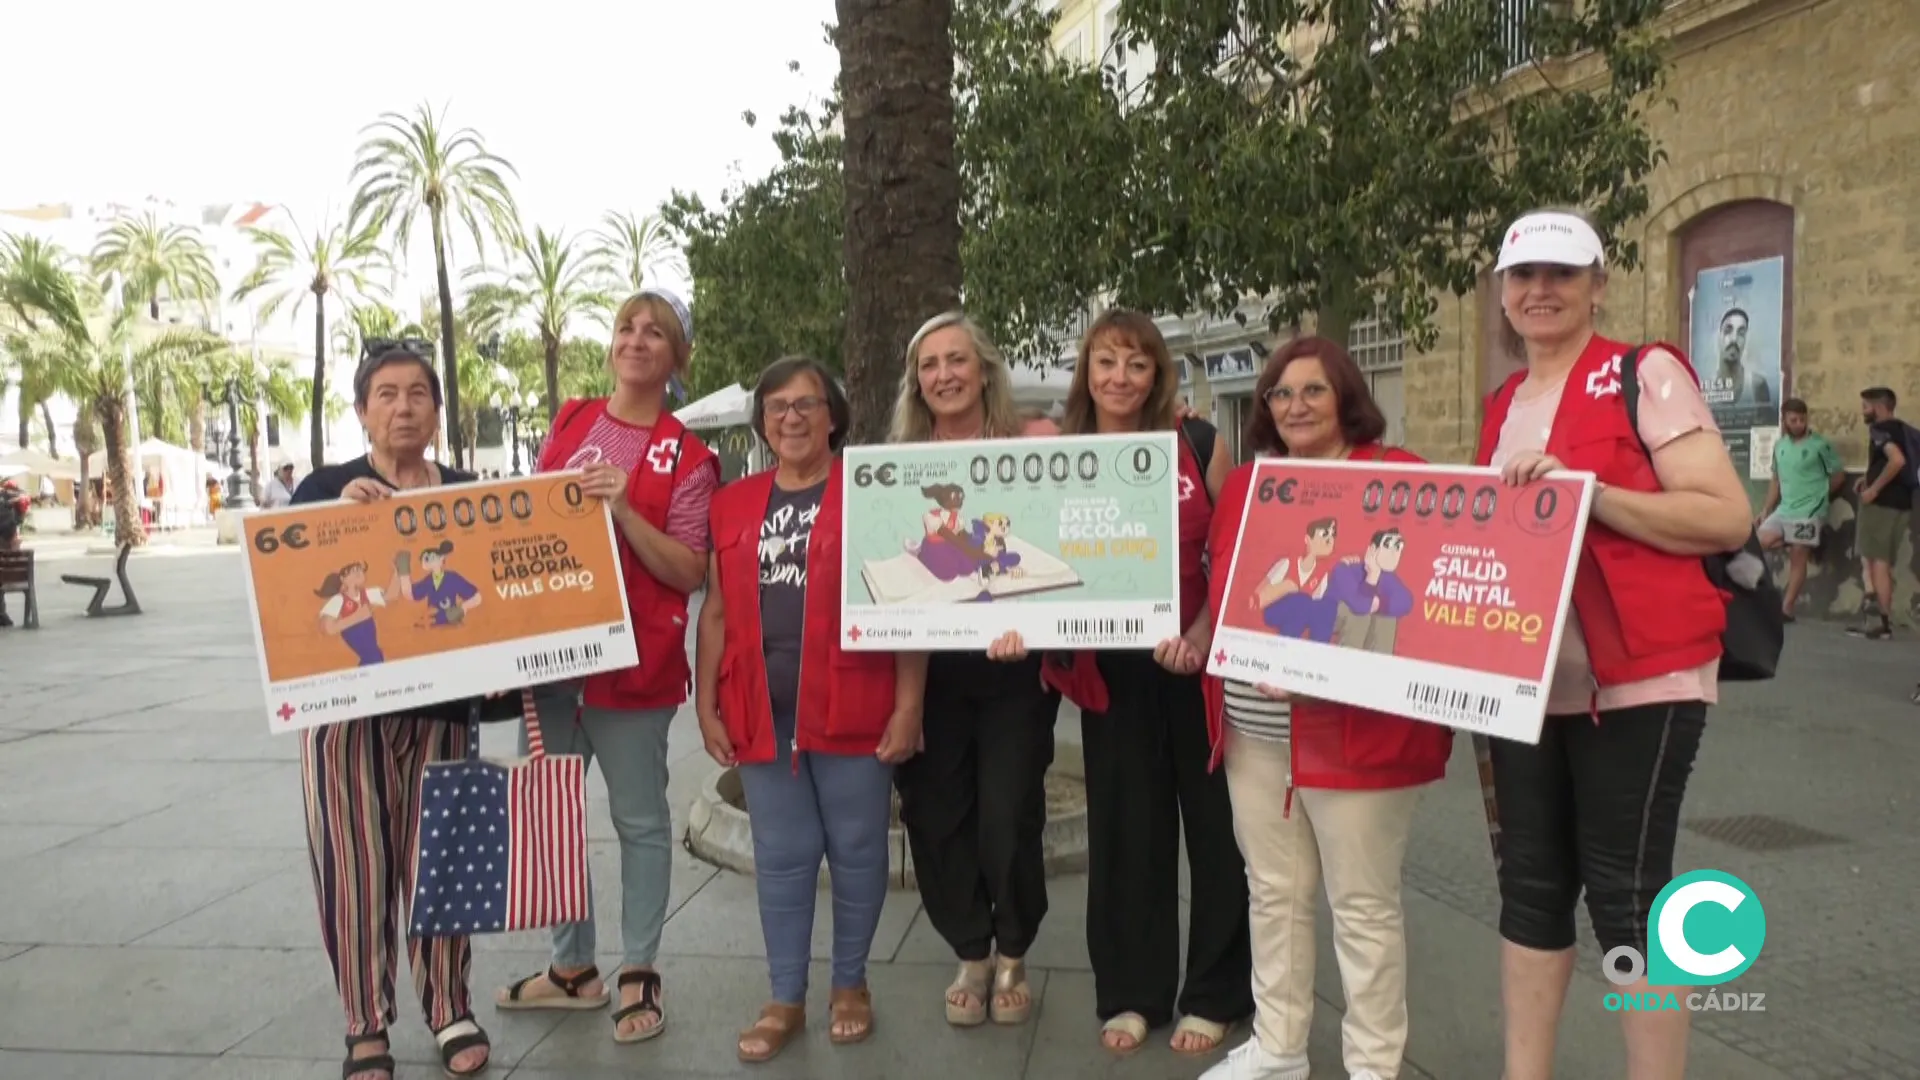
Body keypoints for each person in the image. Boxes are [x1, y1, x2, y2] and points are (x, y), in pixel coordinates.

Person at [1475, 209, 1750, 1080]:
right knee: (1530, 890)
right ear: (1504, 295)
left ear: (1597, 284)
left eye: (1562, 273)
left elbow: (1724, 514)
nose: (1541, 290)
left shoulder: (1645, 372)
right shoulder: (1501, 404)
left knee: (1628, 898)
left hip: (1639, 678)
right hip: (1524, 687)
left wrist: (1594, 497)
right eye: (1524, 277)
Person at [1189, 337, 1453, 1080]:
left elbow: (1422, 605)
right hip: (1254, 730)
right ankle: (1278, 1048)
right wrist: (1197, 637)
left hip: (1356, 733)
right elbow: (1228, 588)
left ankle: (1373, 1066)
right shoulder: (1247, 484)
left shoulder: (1399, 478)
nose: (1295, 406)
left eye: (1313, 391)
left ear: (1346, 397)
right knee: (1273, 896)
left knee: (1363, 908)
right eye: (1281, 393)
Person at [495, 288, 719, 1043]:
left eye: (655, 332)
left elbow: (690, 570)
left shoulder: (689, 458)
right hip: (553, 666)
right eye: (628, 326)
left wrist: (625, 510)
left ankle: (640, 969)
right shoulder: (570, 420)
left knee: (640, 822)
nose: (637, 339)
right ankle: (571, 968)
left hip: (634, 670)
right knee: (552, 815)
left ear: (675, 358)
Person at [695, 355, 928, 1062]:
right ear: (761, 423)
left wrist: (910, 705)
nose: (790, 418)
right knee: (784, 857)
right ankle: (785, 997)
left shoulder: (871, 495)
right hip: (761, 710)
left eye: (805, 404)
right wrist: (705, 702)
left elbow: (909, 602)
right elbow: (716, 611)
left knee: (858, 852)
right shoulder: (732, 503)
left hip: (855, 703)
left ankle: (850, 985)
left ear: (833, 416)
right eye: (776, 408)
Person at [1038, 309, 1250, 1056]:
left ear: (1157, 375)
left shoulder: (1197, 444)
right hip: (1112, 671)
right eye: (1106, 362)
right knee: (1129, 833)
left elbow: (1235, 555)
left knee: (1219, 835)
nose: (1120, 377)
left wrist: (1200, 636)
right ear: (1086, 372)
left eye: (1136, 363)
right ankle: (1132, 991)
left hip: (1196, 665)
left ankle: (1217, 993)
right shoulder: (1060, 454)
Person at [291, 339, 491, 1080]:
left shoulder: (468, 492)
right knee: (353, 865)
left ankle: (448, 1006)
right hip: (345, 718)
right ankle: (365, 1023)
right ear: (362, 412)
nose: (403, 407)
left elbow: (493, 599)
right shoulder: (325, 486)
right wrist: (332, 517)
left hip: (441, 710)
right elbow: (286, 577)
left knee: (440, 859)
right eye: (387, 395)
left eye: (417, 395)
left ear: (438, 413)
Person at [890, 311, 1061, 1028]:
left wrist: (1041, 623)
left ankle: (1015, 946)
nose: (944, 376)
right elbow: (898, 587)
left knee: (1006, 814)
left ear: (983, 369)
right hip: (929, 671)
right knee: (934, 814)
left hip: (1017, 667)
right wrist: (904, 701)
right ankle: (972, 949)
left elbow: (1072, 552)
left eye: (956, 360)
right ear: (916, 381)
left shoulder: (1035, 443)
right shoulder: (898, 463)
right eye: (929, 365)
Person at [1755, 398, 1844, 619]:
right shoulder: (1780, 446)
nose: (1798, 424)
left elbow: (1839, 475)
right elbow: (1775, 480)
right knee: (1757, 543)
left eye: (1802, 419)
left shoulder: (1820, 445)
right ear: (1784, 420)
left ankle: (1786, 608)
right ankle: (1787, 538)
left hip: (1809, 512)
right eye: (1793, 420)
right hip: (1784, 510)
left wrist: (1820, 497)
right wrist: (1766, 510)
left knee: (1798, 555)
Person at [1851, 386, 1909, 640]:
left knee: (1877, 562)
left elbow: (1896, 461)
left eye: (1866, 406)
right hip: (1900, 503)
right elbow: (1889, 460)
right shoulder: (1902, 430)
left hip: (1882, 505)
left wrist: (1873, 490)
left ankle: (1880, 623)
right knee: (1879, 560)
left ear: (1878, 406)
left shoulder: (1879, 430)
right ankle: (1880, 622)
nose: (1863, 411)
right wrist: (1866, 477)